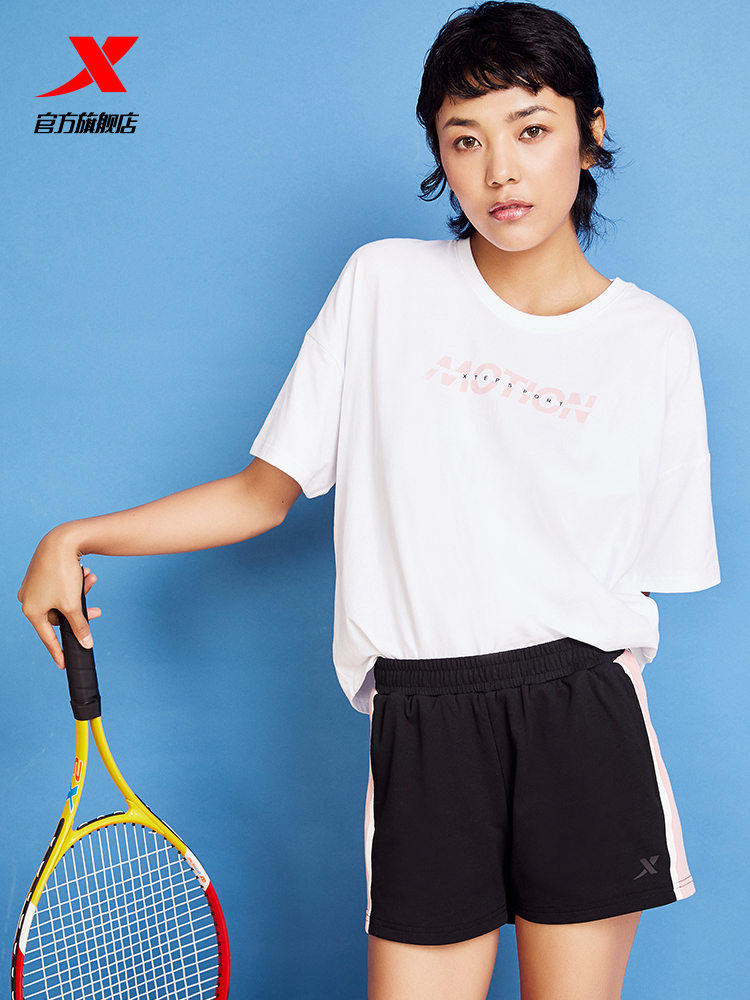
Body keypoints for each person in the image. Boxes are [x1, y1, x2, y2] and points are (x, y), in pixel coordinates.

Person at [17, 2, 720, 998]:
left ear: (591, 131)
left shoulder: (655, 341)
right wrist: (76, 534)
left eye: (531, 129)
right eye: (465, 141)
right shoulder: (384, 286)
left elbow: (645, 573)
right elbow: (263, 495)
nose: (501, 171)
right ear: (439, 156)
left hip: (581, 719)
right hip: (425, 721)